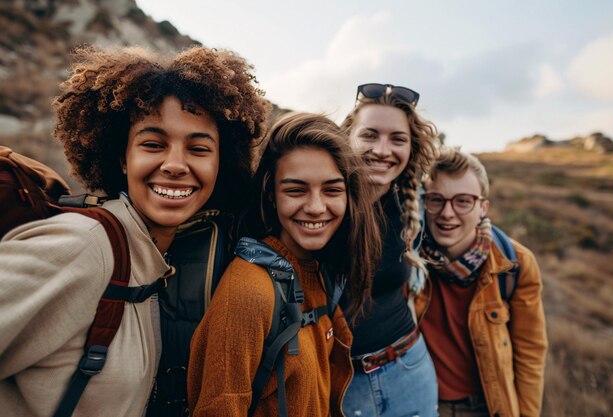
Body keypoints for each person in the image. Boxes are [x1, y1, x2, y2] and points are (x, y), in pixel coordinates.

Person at [0, 45, 269, 417]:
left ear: (221, 164)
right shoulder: (82, 246)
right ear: (122, 159)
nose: (175, 164)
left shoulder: (149, 261)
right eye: (153, 144)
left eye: (198, 149)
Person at [187, 112, 382, 417]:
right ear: (270, 193)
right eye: (295, 190)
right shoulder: (249, 291)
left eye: (332, 190)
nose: (317, 207)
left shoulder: (319, 271)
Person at [416, 147, 548, 417]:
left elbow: (530, 353)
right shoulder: (406, 259)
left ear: (482, 208)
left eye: (463, 201)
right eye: (435, 199)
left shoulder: (515, 264)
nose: (447, 213)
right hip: (421, 403)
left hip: (484, 406)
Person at [339, 83, 439, 417]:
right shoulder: (319, 203)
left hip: (410, 368)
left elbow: (463, 217)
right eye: (370, 135)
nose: (383, 150)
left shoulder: (410, 204)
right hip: (341, 384)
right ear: (347, 137)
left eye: (398, 139)